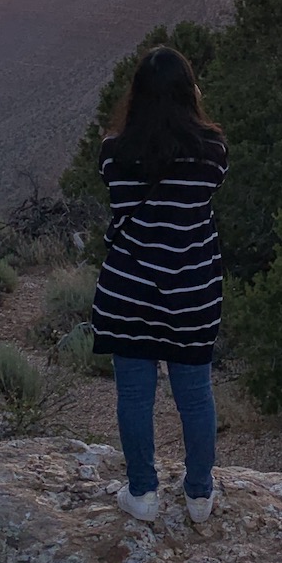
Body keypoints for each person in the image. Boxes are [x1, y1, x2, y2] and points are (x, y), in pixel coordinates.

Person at [91, 45, 228, 524]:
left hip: (129, 291)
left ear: (137, 96)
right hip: (190, 292)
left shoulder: (113, 154)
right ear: (189, 92)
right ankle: (198, 496)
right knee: (195, 395)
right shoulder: (212, 153)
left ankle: (143, 493)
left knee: (133, 395)